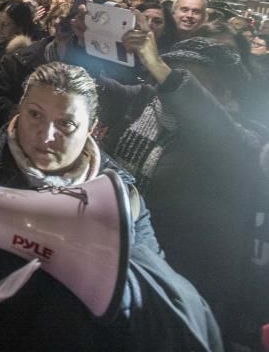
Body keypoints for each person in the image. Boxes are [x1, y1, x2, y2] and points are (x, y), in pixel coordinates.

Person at [0, 62, 221, 352]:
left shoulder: (122, 198)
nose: (46, 135)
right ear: (19, 111)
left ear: (92, 128)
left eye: (66, 124)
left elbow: (145, 292)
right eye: (35, 115)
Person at [104, 33, 269, 345]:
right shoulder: (144, 109)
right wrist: (89, 41)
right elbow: (95, 85)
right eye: (170, 70)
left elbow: (208, 122)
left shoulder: (242, 137)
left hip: (191, 281)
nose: (168, 83)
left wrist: (159, 66)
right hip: (131, 265)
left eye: (185, 79)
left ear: (223, 90)